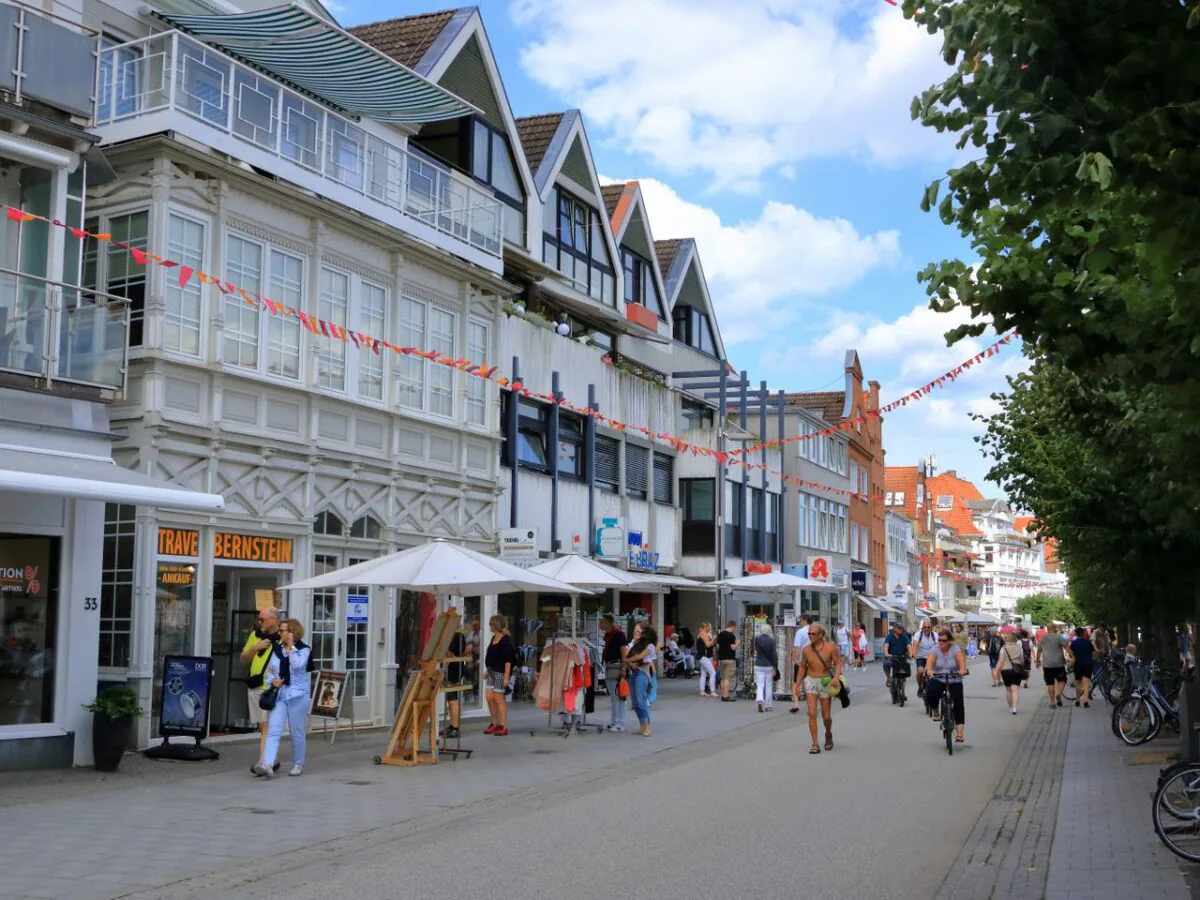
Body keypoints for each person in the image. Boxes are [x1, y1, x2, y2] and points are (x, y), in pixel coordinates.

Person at [255, 618, 311, 778]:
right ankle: (267, 764)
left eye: (283, 630)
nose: (280, 633)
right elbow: (270, 670)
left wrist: (291, 647)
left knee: (296, 731)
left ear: (292, 632)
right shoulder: (277, 650)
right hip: (280, 695)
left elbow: (298, 665)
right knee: (274, 729)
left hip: (298, 695)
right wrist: (272, 681)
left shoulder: (304, 650)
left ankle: (298, 764)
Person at [240, 606, 280, 774]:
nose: (259, 621)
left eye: (263, 619)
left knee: (266, 725)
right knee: (261, 726)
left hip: (270, 688)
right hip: (255, 685)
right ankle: (269, 759)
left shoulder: (282, 637)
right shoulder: (255, 636)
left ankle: (264, 761)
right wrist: (255, 648)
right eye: (259, 618)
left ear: (273, 619)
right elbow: (243, 658)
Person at [796, 622, 841, 754]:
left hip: (825, 681)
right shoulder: (806, 650)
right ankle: (815, 744)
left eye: (813, 634)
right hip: (810, 681)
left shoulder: (830, 648)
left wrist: (836, 677)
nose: (810, 636)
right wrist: (797, 684)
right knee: (811, 713)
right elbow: (802, 667)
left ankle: (828, 733)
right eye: (809, 633)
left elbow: (838, 663)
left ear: (820, 634)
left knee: (826, 716)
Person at [924, 628, 968, 743]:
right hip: (939, 677)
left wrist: (962, 670)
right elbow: (930, 662)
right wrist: (930, 671)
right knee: (931, 693)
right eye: (939, 640)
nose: (941, 643)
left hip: (954, 678)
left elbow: (961, 662)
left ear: (949, 641)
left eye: (943, 640)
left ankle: (959, 734)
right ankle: (935, 711)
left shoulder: (955, 649)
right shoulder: (935, 649)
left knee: (958, 704)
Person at [483, 614, 516, 736]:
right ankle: (494, 723)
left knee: (499, 699)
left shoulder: (504, 641)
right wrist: (488, 671)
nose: (489, 626)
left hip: (500, 673)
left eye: (491, 624)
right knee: (489, 697)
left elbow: (508, 661)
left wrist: (506, 677)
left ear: (496, 626)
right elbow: (493, 657)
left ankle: (503, 725)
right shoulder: (494, 638)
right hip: (492, 672)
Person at [625, 625, 658, 736]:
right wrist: (629, 662)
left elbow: (640, 656)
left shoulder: (650, 645)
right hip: (633, 673)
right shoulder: (636, 644)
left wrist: (627, 660)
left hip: (642, 674)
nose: (638, 634)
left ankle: (647, 726)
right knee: (635, 703)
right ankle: (642, 726)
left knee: (641, 701)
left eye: (640, 632)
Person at [600, 615, 628, 732]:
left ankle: (620, 723)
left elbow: (623, 651)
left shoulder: (618, 634)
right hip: (609, 665)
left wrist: (623, 667)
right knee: (613, 695)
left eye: (602, 622)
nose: (600, 624)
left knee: (619, 695)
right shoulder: (607, 635)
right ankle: (614, 721)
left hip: (616, 666)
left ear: (608, 623)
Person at [1036, 622, 1070, 710]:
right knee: (1062, 680)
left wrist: (1037, 661)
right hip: (1059, 663)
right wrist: (1072, 656)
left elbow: (1039, 651)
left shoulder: (1042, 638)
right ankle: (1058, 693)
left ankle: (1052, 702)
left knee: (1050, 683)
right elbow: (1066, 647)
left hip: (1047, 664)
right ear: (1055, 629)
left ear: (1047, 629)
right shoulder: (1059, 637)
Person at [997, 630, 1024, 715]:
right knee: (1015, 690)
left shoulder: (1003, 648)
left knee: (1008, 690)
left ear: (1007, 639)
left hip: (1005, 670)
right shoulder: (1019, 648)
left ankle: (1010, 707)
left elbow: (1001, 660)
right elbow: (1022, 660)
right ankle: (1014, 708)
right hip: (1017, 670)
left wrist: (997, 670)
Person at [790, 615, 814, 712]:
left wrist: (795, 658)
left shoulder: (800, 632)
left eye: (800, 620)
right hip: (813, 661)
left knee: (796, 682)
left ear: (805, 620)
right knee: (811, 683)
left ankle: (796, 704)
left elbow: (797, 647)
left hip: (802, 661)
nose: (799, 622)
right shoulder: (815, 630)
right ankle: (811, 706)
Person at [753, 623, 779, 713]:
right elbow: (774, 655)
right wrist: (775, 667)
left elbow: (756, 650)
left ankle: (760, 700)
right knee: (768, 685)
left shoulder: (757, 639)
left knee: (760, 685)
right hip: (769, 665)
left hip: (759, 664)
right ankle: (768, 705)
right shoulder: (772, 640)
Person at [912, 620, 939, 699]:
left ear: (931, 628)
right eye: (925, 627)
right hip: (920, 657)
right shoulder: (918, 634)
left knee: (932, 674)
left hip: (932, 657)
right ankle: (920, 687)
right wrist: (914, 654)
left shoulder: (935, 635)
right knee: (920, 671)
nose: (926, 629)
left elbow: (938, 646)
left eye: (928, 627)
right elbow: (915, 645)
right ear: (922, 628)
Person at [1070, 626, 1094, 708]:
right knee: (1086, 683)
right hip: (1088, 664)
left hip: (1078, 664)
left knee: (1078, 683)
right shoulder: (1088, 642)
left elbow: (1071, 654)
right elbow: (1093, 653)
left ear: (1076, 634)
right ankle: (1086, 701)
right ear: (1083, 633)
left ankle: (1077, 700)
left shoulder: (1074, 643)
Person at [883, 622, 911, 689]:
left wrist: (910, 654)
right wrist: (886, 654)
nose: (901, 629)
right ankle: (888, 678)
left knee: (904, 669)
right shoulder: (889, 636)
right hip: (891, 657)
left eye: (901, 628)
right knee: (886, 664)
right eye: (899, 628)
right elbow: (886, 646)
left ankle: (902, 685)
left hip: (902, 657)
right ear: (894, 629)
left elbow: (909, 646)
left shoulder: (904, 636)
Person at [716, 621, 738, 702]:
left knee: (722, 678)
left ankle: (723, 695)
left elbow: (717, 646)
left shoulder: (720, 634)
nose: (735, 629)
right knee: (727, 678)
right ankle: (726, 696)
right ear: (732, 626)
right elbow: (733, 648)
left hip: (721, 658)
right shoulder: (732, 636)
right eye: (735, 628)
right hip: (730, 659)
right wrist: (737, 644)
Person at [695, 622, 717, 697]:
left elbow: (709, 645)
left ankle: (702, 691)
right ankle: (712, 691)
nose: (710, 628)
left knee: (703, 674)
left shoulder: (701, 633)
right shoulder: (704, 634)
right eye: (709, 627)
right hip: (703, 657)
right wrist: (713, 638)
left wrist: (713, 640)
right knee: (712, 673)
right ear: (706, 627)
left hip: (701, 656)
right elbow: (708, 645)